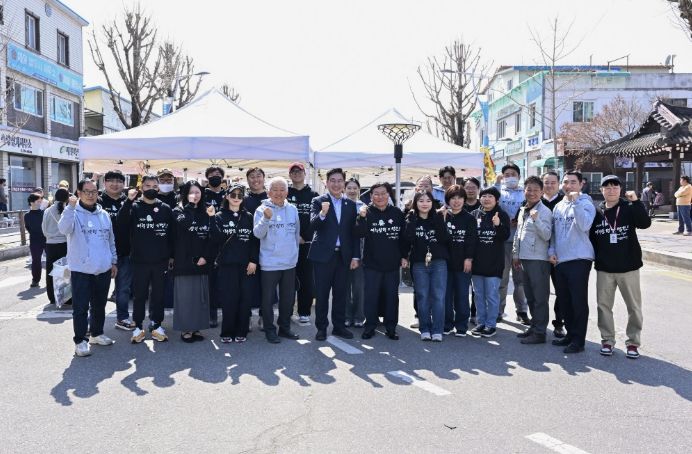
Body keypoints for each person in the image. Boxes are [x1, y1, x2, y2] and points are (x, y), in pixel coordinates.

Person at [590, 175, 651, 359]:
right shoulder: (596, 211)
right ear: (601, 190)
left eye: (615, 187)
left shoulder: (629, 207)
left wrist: (637, 202)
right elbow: (592, 238)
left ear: (621, 190)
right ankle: (607, 340)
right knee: (603, 306)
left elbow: (645, 223)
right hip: (605, 268)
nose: (611, 190)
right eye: (607, 187)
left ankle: (633, 342)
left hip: (628, 267)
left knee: (634, 307)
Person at [58, 179, 117, 357]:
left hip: (103, 268)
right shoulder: (73, 212)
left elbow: (110, 240)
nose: (91, 195)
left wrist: (113, 261)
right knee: (81, 308)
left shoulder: (104, 214)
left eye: (94, 191)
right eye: (86, 191)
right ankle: (80, 341)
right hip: (81, 270)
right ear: (79, 193)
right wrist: (70, 207)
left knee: (99, 305)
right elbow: (63, 229)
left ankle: (96, 334)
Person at [118, 175, 175, 343]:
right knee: (139, 295)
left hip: (161, 260)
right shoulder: (134, 206)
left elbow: (172, 234)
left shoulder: (165, 208)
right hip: (139, 260)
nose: (151, 188)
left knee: (158, 295)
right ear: (141, 187)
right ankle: (138, 327)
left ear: (158, 188)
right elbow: (121, 223)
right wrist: (128, 201)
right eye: (147, 185)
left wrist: (171, 256)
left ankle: (156, 325)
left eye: (154, 186)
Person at [309, 168, 360, 341]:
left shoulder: (350, 205)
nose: (336, 184)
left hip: (343, 256)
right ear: (327, 182)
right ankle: (321, 328)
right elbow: (313, 225)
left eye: (339, 181)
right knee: (322, 294)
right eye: (333, 180)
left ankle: (339, 326)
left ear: (344, 183)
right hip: (323, 256)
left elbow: (353, 233)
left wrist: (355, 256)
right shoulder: (318, 201)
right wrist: (323, 213)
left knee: (341, 294)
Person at [549, 170, 596, 354]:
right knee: (565, 300)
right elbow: (554, 233)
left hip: (579, 259)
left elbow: (584, 225)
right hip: (560, 260)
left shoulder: (586, 203)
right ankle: (570, 334)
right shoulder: (558, 206)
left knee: (578, 301)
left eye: (573, 182)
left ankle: (579, 340)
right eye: (566, 182)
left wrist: (576, 202)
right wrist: (551, 251)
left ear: (581, 184)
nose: (569, 186)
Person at [355, 182, 407, 340]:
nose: (380, 197)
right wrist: (361, 217)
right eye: (376, 194)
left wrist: (404, 256)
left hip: (392, 264)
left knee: (392, 297)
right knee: (371, 297)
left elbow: (403, 238)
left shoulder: (397, 213)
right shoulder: (366, 212)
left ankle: (391, 328)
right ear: (371, 196)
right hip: (372, 264)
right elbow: (359, 232)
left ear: (388, 195)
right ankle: (370, 327)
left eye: (383, 193)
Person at [253, 177, 301, 343]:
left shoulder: (292, 209)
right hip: (270, 263)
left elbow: (296, 234)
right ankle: (269, 329)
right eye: (275, 190)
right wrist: (266, 218)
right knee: (267, 299)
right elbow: (257, 234)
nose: (278, 193)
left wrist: (294, 254)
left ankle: (284, 328)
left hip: (289, 262)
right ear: (268, 192)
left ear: (287, 192)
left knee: (288, 299)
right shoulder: (261, 209)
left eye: (282, 190)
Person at [212, 184, 259, 343]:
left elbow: (254, 241)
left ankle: (242, 331)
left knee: (245, 299)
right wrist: (211, 218)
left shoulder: (249, 216)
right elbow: (216, 239)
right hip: (227, 265)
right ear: (227, 196)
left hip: (246, 265)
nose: (236, 198)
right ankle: (227, 331)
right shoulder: (219, 216)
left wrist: (253, 260)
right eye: (233, 195)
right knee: (228, 299)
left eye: (240, 195)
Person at [405, 190, 450, 342]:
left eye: (428, 201)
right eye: (421, 201)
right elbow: (408, 239)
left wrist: (439, 219)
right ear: (415, 203)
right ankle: (424, 328)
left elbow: (445, 238)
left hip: (439, 262)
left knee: (438, 296)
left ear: (432, 203)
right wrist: (411, 220)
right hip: (419, 263)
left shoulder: (438, 217)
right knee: (422, 296)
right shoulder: (411, 218)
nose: (425, 204)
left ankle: (437, 329)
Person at [513, 176, 553, 344]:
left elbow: (547, 235)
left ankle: (540, 332)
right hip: (524, 258)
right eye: (529, 189)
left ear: (542, 192)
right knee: (530, 296)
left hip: (539, 259)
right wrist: (515, 254)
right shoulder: (523, 209)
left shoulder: (545, 211)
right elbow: (518, 233)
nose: (532, 193)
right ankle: (534, 326)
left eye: (536, 190)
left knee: (540, 297)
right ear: (524, 191)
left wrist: (536, 220)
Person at [172, 181, 212, 343]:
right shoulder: (178, 210)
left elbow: (212, 236)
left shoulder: (207, 210)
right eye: (191, 192)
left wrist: (206, 256)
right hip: (183, 261)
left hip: (202, 260)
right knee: (185, 297)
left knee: (200, 297)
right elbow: (185, 224)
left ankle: (196, 327)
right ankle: (185, 329)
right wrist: (189, 206)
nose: (195, 195)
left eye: (197, 192)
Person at [470, 187, 510, 338]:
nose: (486, 199)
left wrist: (498, 225)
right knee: (478, 295)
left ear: (496, 200)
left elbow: (505, 236)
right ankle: (481, 322)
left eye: (490, 196)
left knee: (492, 295)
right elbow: (470, 238)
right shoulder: (474, 214)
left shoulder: (502, 214)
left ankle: (491, 325)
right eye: (484, 196)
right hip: (477, 264)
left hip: (494, 263)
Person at [98, 170, 135, 330]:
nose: (115, 184)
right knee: (99, 290)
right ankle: (94, 323)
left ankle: (122, 318)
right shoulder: (98, 200)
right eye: (111, 180)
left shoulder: (129, 201)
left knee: (123, 289)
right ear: (104, 182)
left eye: (119, 181)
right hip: (102, 254)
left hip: (125, 252)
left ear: (123, 184)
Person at [495, 163, 529, 325]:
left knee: (520, 280)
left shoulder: (525, 192)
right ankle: (498, 311)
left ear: (519, 176)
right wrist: (496, 182)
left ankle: (522, 311)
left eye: (513, 174)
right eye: (506, 175)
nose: (510, 177)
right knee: (501, 279)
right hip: (502, 242)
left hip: (521, 242)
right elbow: (490, 204)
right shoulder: (499, 191)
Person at [443, 185, 477, 337]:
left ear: (464, 200)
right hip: (444, 263)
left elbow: (472, 241)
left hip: (463, 263)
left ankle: (462, 326)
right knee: (445, 296)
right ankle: (447, 324)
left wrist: (468, 258)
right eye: (453, 198)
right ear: (448, 200)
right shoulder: (443, 216)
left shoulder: (469, 218)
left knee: (462, 295)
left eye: (459, 198)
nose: (456, 201)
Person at [287, 162, 319, 325]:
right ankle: (287, 311)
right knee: (288, 279)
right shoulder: (285, 193)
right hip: (287, 243)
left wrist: (304, 236)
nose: (296, 174)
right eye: (293, 171)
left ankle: (304, 311)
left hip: (307, 243)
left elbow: (316, 219)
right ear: (290, 175)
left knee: (306, 279)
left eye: (299, 171)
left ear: (305, 174)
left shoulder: (314, 195)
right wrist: (294, 236)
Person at [541, 171, 565, 338]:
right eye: (546, 182)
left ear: (558, 184)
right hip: (538, 254)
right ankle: (539, 324)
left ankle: (559, 323)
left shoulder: (564, 202)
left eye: (553, 182)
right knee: (539, 292)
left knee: (561, 290)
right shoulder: (534, 200)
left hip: (559, 253)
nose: (549, 185)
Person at [204, 166, 226, 327]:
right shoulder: (202, 194)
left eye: (218, 175)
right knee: (211, 281)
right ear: (207, 178)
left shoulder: (228, 194)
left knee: (227, 281)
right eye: (212, 175)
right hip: (208, 243)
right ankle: (212, 314)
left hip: (227, 242)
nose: (215, 177)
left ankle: (229, 312)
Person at [41, 188, 70, 305]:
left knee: (51, 271)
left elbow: (44, 229)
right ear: (67, 198)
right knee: (65, 271)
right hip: (64, 244)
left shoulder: (47, 211)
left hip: (50, 245)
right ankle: (66, 298)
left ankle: (52, 297)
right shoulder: (67, 210)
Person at [345, 178, 365, 327]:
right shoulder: (340, 205)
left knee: (359, 287)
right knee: (344, 287)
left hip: (361, 251)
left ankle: (359, 316)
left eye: (354, 188)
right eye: (349, 188)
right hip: (343, 251)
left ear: (359, 190)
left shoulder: (364, 207)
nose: (352, 191)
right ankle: (346, 316)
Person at [24, 193, 46, 288]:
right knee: (36, 261)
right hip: (34, 240)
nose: (40, 203)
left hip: (47, 239)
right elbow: (28, 227)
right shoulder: (27, 215)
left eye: (41, 201)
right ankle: (35, 280)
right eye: (38, 201)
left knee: (51, 260)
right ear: (31, 202)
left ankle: (52, 280)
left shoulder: (44, 213)